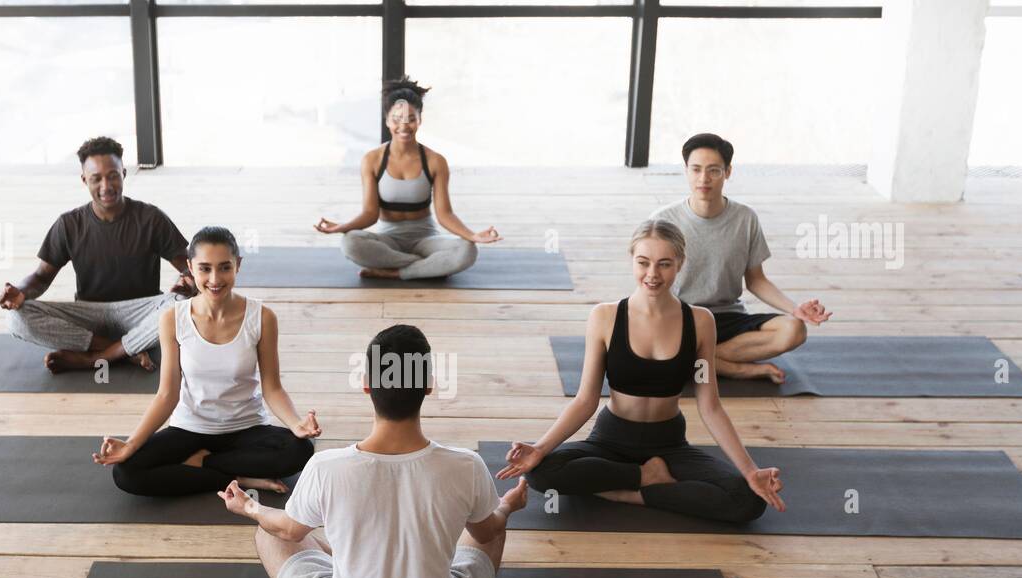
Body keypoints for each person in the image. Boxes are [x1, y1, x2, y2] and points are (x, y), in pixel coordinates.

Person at [218, 324, 529, 578]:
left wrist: (250, 507)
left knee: (269, 531)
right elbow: (487, 534)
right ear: (428, 384)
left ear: (366, 384)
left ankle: (350, 554)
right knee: (493, 521)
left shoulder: (326, 467)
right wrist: (508, 505)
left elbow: (288, 531)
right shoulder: (466, 466)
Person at [498, 220, 785, 524]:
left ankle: (628, 492)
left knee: (748, 500)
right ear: (631, 259)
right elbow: (585, 399)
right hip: (610, 439)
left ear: (680, 264)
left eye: (664, 264)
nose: (652, 274)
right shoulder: (605, 317)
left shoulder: (700, 322)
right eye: (643, 262)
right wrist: (540, 448)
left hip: (670, 444)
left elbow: (710, 406)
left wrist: (751, 471)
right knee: (540, 472)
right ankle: (644, 477)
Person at [92, 226, 318, 496]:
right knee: (126, 473)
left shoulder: (262, 317)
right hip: (191, 427)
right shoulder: (173, 319)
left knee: (300, 451)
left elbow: (273, 388)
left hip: (245, 427)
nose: (214, 279)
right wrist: (130, 445)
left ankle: (203, 464)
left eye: (224, 267)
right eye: (204, 268)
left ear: (238, 265)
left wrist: (295, 423)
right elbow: (166, 395)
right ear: (189, 267)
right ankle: (237, 477)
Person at [0, 136, 194, 374]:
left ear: (123, 173)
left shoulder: (151, 218)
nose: (106, 186)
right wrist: (20, 292)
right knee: (15, 318)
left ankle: (96, 358)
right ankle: (122, 349)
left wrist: (187, 282)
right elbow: (40, 277)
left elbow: (190, 268)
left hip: (140, 313)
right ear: (84, 180)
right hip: (90, 315)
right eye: (96, 178)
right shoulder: (69, 224)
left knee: (183, 305)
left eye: (112, 175)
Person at [650, 132, 832, 383]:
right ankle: (735, 368)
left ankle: (696, 361)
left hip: (727, 317)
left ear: (728, 172)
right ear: (686, 171)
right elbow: (649, 282)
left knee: (794, 330)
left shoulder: (745, 219)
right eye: (696, 169)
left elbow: (756, 280)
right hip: (680, 318)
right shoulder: (662, 221)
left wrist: (795, 309)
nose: (704, 178)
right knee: (649, 340)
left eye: (714, 170)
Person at [314, 76, 501, 280]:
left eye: (411, 118)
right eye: (397, 119)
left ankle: (397, 272)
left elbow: (445, 214)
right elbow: (369, 213)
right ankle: (426, 266)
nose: (404, 126)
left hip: (426, 239)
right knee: (350, 243)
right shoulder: (372, 160)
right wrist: (342, 227)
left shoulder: (435, 161)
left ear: (420, 120)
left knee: (468, 250)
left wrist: (472, 235)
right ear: (386, 120)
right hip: (387, 240)